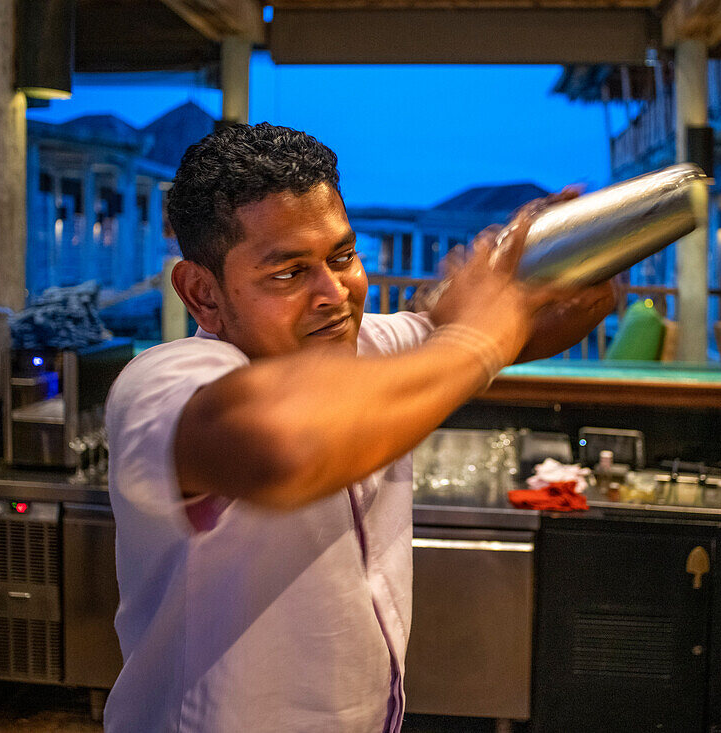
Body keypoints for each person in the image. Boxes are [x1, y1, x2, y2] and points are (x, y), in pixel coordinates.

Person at [103, 122, 616, 732]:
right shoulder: (163, 385)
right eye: (289, 273)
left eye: (342, 256)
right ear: (202, 293)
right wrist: (478, 337)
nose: (335, 294)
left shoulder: (367, 346)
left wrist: (562, 254)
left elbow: (537, 324)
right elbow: (284, 442)